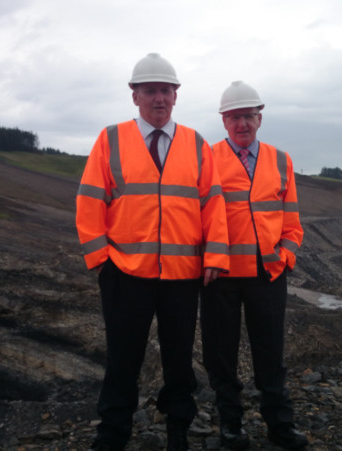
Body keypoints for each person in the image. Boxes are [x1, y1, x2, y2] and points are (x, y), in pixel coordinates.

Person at [76, 53, 230, 451]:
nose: (158, 98)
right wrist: (101, 261)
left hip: (181, 275)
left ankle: (178, 430)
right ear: (135, 96)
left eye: (165, 90)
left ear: (176, 96)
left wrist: (214, 256)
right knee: (122, 360)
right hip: (125, 274)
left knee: (179, 361)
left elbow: (212, 203)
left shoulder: (196, 144)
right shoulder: (110, 139)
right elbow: (90, 201)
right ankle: (112, 435)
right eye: (150, 91)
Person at [201, 81, 307, 449]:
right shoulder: (207, 158)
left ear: (259, 118)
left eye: (247, 116)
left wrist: (286, 256)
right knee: (220, 357)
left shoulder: (281, 161)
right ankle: (231, 426)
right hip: (221, 277)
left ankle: (280, 425)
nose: (241, 124)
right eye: (234, 117)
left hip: (268, 275)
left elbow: (292, 221)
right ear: (223, 121)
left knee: (270, 355)